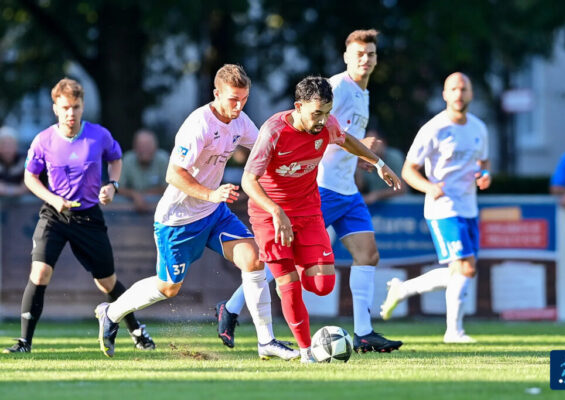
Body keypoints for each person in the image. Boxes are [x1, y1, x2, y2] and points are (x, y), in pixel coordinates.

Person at [217, 29, 404, 354]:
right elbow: (253, 176)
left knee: (361, 259)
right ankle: (237, 309)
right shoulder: (334, 89)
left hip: (342, 192)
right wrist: (276, 210)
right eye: (359, 54)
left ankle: (362, 332)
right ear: (346, 57)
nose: (366, 59)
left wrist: (377, 163)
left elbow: (342, 136)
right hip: (319, 190)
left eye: (371, 54)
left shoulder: (357, 97)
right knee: (284, 271)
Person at [94, 64, 298, 360]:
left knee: (253, 260)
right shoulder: (198, 125)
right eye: (233, 99)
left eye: (244, 99)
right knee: (168, 288)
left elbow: (267, 151)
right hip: (177, 220)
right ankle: (111, 313)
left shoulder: (240, 121)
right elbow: (173, 174)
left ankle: (266, 341)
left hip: (214, 213)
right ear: (216, 94)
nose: (239, 106)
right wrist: (212, 193)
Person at [3, 78, 155, 353]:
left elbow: (115, 159)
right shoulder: (43, 140)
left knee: (106, 282)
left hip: (88, 217)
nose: (70, 113)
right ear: (55, 108)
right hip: (54, 215)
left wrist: (112, 185)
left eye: (75, 107)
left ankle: (137, 331)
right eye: (65, 108)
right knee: (40, 272)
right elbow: (30, 177)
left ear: (82, 106)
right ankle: (24, 342)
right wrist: (53, 199)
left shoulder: (98, 135)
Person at [379, 72, 491, 343]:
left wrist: (485, 176)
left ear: (471, 94)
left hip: (469, 207)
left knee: (463, 271)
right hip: (443, 207)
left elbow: (484, 163)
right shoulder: (434, 128)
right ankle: (454, 332)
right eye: (453, 89)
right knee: (464, 267)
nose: (459, 94)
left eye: (464, 89)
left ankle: (402, 290)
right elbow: (408, 170)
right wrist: (429, 187)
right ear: (444, 94)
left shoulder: (479, 128)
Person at [119, 129, 169, 212]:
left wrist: (144, 195)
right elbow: (118, 187)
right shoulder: (127, 159)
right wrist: (134, 195)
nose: (144, 149)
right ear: (134, 147)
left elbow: (171, 187)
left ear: (156, 146)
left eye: (148, 145)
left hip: (160, 209)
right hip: (130, 211)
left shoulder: (164, 159)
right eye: (141, 145)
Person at [357, 129, 407, 204]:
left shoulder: (395, 157)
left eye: (373, 143)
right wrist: (357, 163)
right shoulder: (363, 160)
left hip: (400, 206)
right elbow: (359, 187)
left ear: (383, 142)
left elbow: (402, 188)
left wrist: (376, 195)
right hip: (375, 207)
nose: (369, 147)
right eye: (366, 143)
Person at [0, 126, 28, 197]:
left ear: (16, 146)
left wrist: (7, 190)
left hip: (23, 201)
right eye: (4, 144)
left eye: (10, 144)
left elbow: (28, 186)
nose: (7, 148)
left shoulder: (25, 160)